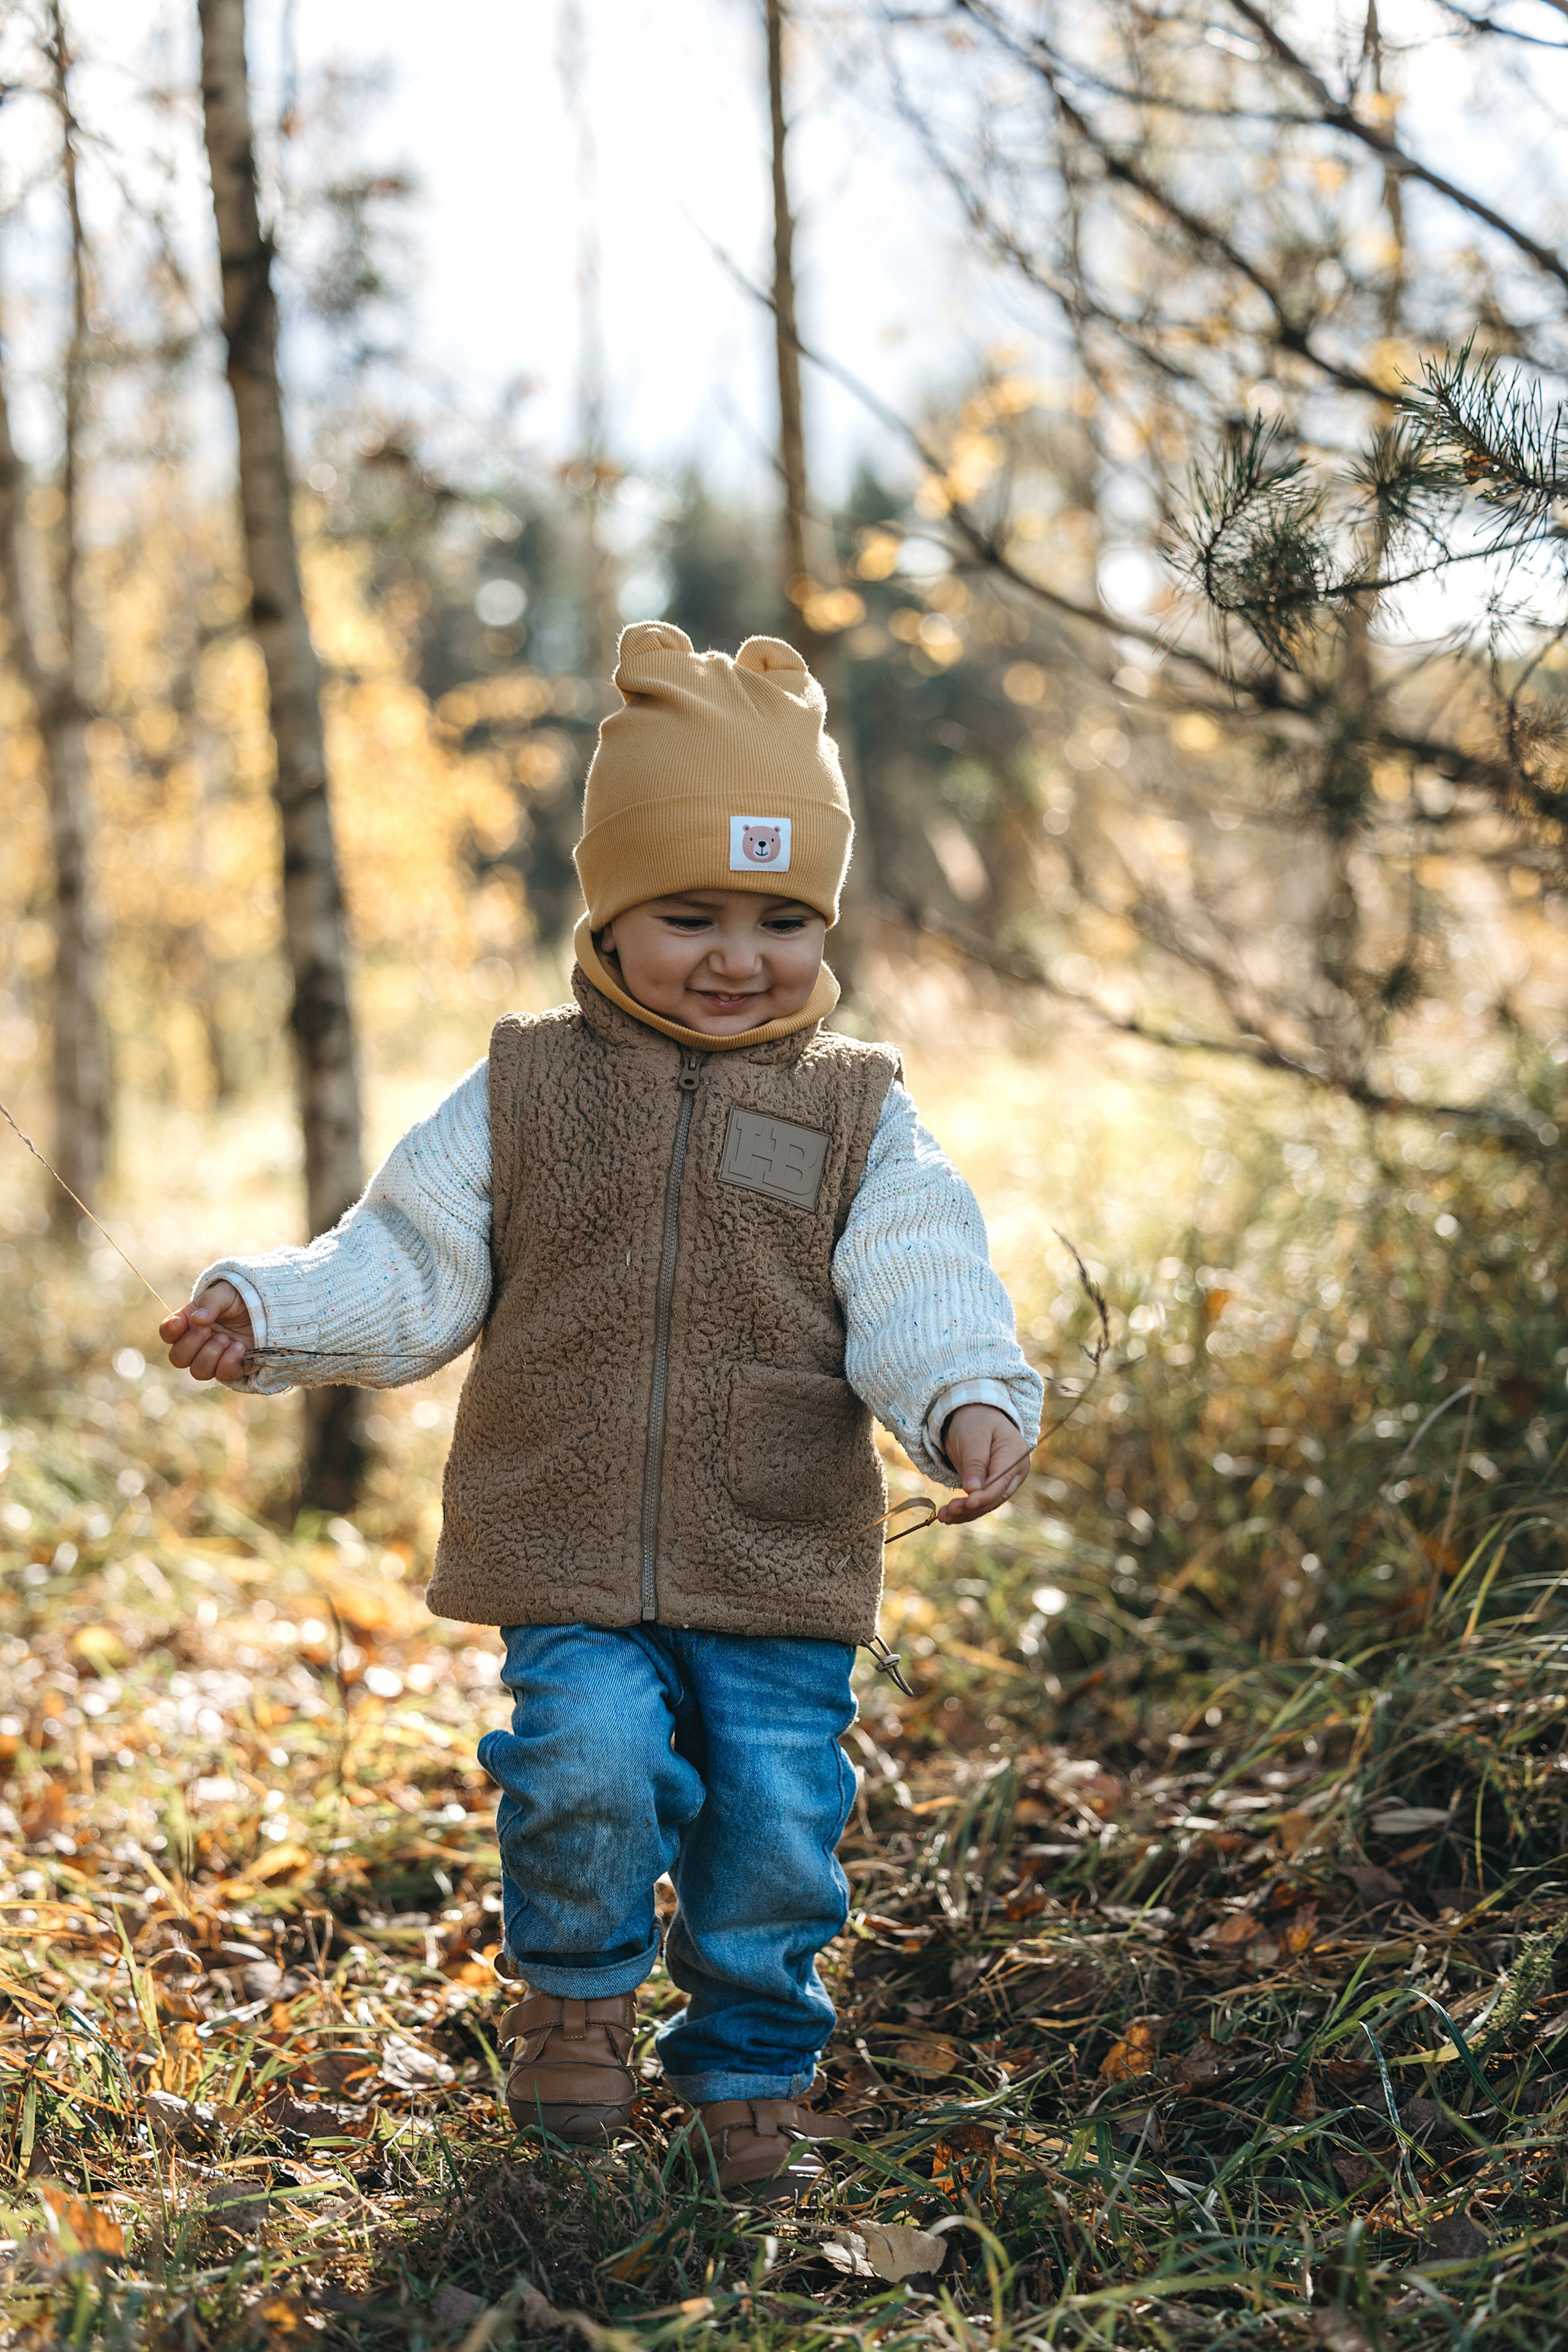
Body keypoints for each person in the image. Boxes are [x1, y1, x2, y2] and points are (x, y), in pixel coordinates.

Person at [160, 624, 1042, 2200]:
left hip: (773, 1556)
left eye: (777, 919)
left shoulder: (854, 1108)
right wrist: (271, 1310)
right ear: (607, 912)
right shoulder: (527, 1089)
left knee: (775, 1832)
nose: (733, 955)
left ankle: (750, 2074)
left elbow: (922, 1274)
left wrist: (962, 1395)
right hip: (566, 1539)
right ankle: (573, 2004)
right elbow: (410, 1258)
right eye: (686, 912)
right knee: (583, 1757)